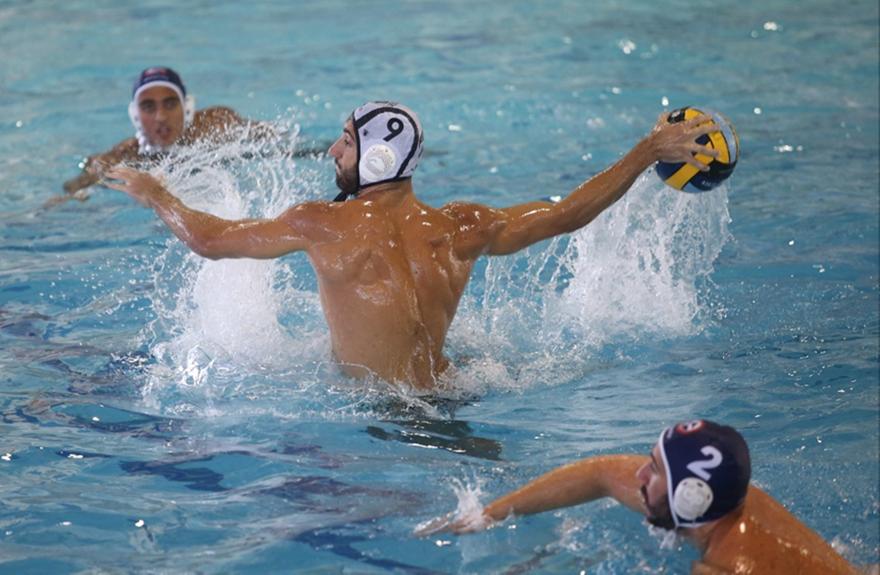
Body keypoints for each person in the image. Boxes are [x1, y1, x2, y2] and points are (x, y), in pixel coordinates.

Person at [105, 101, 718, 390]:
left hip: (376, 416)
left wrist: (157, 193)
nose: (332, 152)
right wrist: (646, 152)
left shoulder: (323, 224)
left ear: (375, 157)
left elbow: (210, 240)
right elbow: (566, 215)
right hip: (455, 396)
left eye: (346, 142)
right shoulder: (461, 227)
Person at [416, 419, 865, 575]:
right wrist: (490, 514)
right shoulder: (726, 499)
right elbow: (597, 474)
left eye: (655, 470)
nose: (639, 475)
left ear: (691, 496)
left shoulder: (725, 566)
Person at [61, 66, 272, 197]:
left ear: (186, 107)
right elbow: (74, 189)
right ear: (135, 115)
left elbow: (275, 139)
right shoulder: (125, 156)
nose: (161, 116)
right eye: (148, 107)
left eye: (170, 104)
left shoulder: (217, 125)